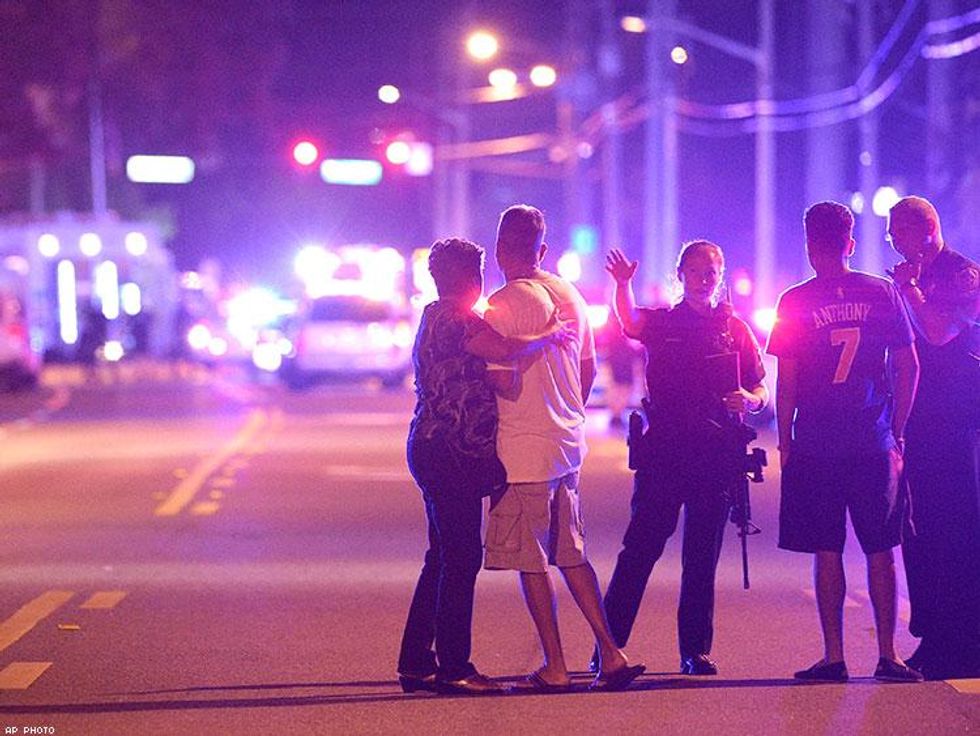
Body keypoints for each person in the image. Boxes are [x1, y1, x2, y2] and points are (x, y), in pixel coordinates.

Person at [398, 237, 572, 696]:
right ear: (472, 279)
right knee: (460, 557)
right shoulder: (459, 321)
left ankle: (416, 661)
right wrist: (550, 335)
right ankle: (455, 667)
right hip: (451, 454)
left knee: (440, 556)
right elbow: (505, 349)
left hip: (429, 447)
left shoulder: (431, 315)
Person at [482, 204, 645, 693]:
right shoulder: (570, 295)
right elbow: (588, 369)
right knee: (572, 553)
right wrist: (566, 404)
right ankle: (610, 653)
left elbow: (502, 381)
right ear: (543, 250)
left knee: (531, 559)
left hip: (522, 447)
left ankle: (555, 665)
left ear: (498, 250)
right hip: (567, 443)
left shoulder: (502, 303)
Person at [768, 201, 922, 682]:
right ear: (850, 243)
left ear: (811, 247)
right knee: (881, 547)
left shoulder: (793, 301)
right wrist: (896, 430)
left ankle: (833, 656)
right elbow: (908, 365)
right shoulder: (881, 292)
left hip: (816, 441)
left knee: (826, 548)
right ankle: (887, 655)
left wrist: (785, 436)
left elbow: (786, 377)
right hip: (872, 439)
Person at [601, 240, 768, 676]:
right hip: (666, 453)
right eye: (695, 269)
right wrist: (623, 284)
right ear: (681, 275)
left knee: (701, 558)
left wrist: (747, 401)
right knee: (640, 549)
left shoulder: (736, 329)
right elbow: (629, 321)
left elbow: (760, 389)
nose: (704, 276)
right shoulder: (664, 323)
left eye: (712, 268)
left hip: (715, 457)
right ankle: (607, 645)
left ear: (722, 273)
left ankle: (695, 650)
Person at [886, 195, 980, 680]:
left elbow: (941, 333)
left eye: (897, 235)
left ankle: (965, 640)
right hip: (918, 421)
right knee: (917, 532)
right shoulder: (907, 280)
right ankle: (932, 633)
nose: (894, 246)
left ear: (924, 231)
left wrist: (913, 294)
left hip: (958, 422)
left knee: (957, 533)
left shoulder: (961, 274)